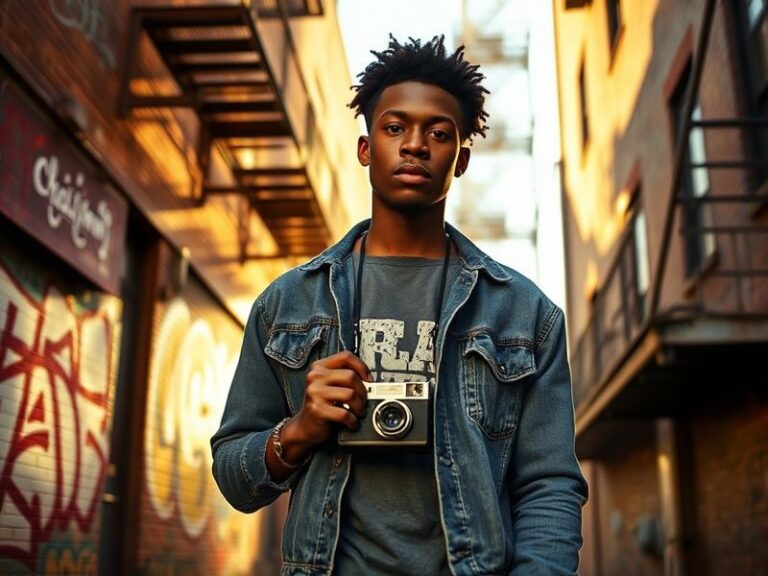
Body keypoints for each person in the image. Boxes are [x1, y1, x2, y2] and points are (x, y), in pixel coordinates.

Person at [210, 34, 588, 576]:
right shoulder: (288, 303)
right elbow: (233, 476)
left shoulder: (525, 315)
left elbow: (549, 485)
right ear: (365, 150)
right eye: (394, 128)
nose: (415, 145)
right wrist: (298, 430)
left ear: (461, 160)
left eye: (439, 133)